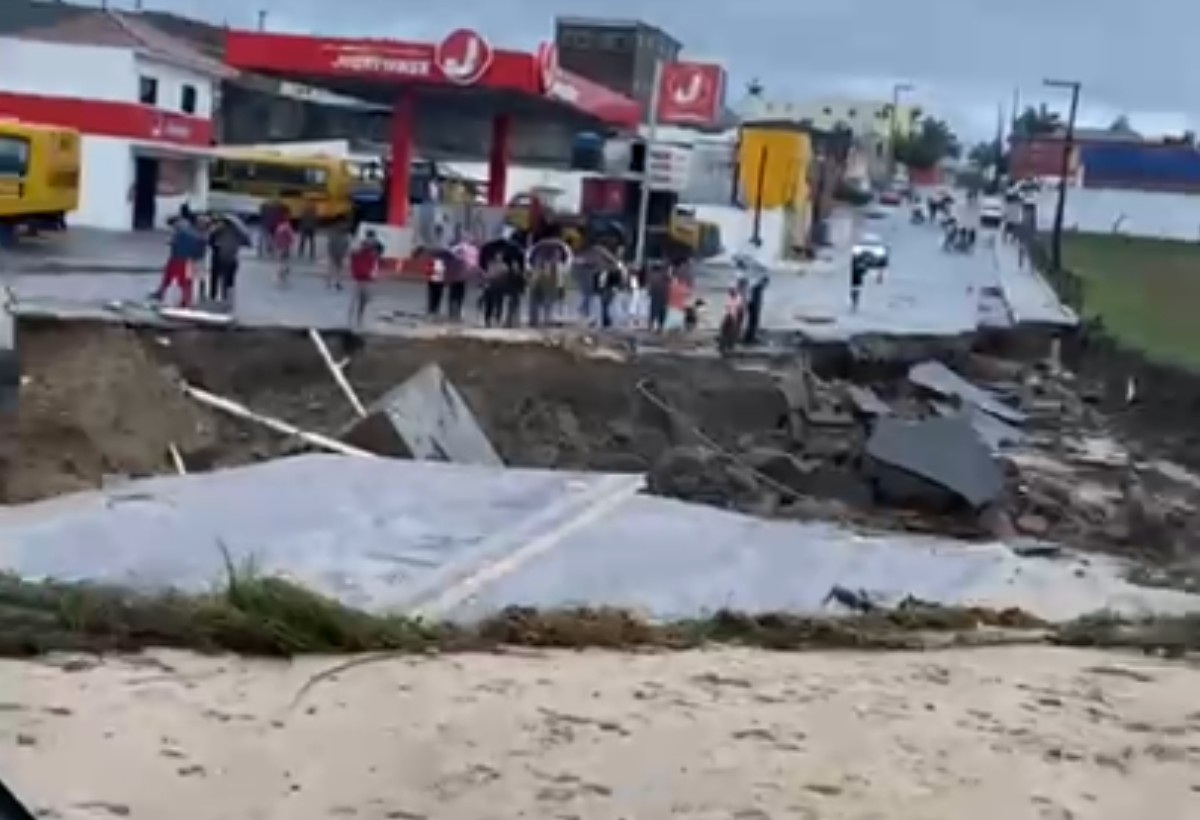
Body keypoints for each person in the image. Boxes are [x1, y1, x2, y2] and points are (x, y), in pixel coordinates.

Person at [153, 216, 205, 308]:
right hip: (186, 260)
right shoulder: (196, 235)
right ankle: (186, 300)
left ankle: (163, 294)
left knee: (170, 278)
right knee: (185, 281)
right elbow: (198, 251)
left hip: (177, 258)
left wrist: (172, 242)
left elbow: (173, 243)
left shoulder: (180, 232)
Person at [347, 230, 382, 329]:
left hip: (367, 279)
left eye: (372, 239)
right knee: (355, 300)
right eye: (369, 238)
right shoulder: (360, 248)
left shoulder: (375, 249)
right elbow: (353, 254)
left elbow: (376, 262)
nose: (370, 241)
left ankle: (359, 319)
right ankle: (351, 320)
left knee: (364, 301)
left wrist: (374, 275)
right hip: (359, 278)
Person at [208, 216, 244, 304]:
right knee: (228, 279)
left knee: (216, 277)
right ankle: (226, 297)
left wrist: (214, 232)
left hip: (220, 257)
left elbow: (210, 242)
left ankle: (214, 295)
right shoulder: (237, 233)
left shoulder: (218, 231)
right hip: (232, 258)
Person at [448, 235, 478, 322]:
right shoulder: (468, 248)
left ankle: (454, 312)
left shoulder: (462, 248)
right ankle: (456, 312)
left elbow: (451, 254)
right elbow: (474, 262)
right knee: (458, 293)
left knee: (456, 293)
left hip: (459, 273)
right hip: (460, 273)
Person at [742, 264, 769, 345]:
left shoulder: (751, 279)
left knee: (752, 318)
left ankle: (749, 336)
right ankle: (750, 338)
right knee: (754, 318)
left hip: (751, 297)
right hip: (753, 298)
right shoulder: (756, 285)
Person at [326, 219, 351, 290]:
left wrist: (330, 252)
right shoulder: (345, 236)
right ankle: (338, 282)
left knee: (331, 267)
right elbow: (346, 245)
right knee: (339, 269)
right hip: (340, 254)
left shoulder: (332, 234)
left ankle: (329, 282)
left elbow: (330, 244)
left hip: (333, 253)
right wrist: (345, 253)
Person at [274, 217, 296, 286]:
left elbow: (276, 238)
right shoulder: (287, 228)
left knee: (281, 260)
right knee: (284, 260)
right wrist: (292, 243)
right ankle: (283, 272)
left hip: (280, 247)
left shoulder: (278, 228)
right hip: (286, 246)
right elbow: (291, 237)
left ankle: (282, 272)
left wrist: (276, 245)